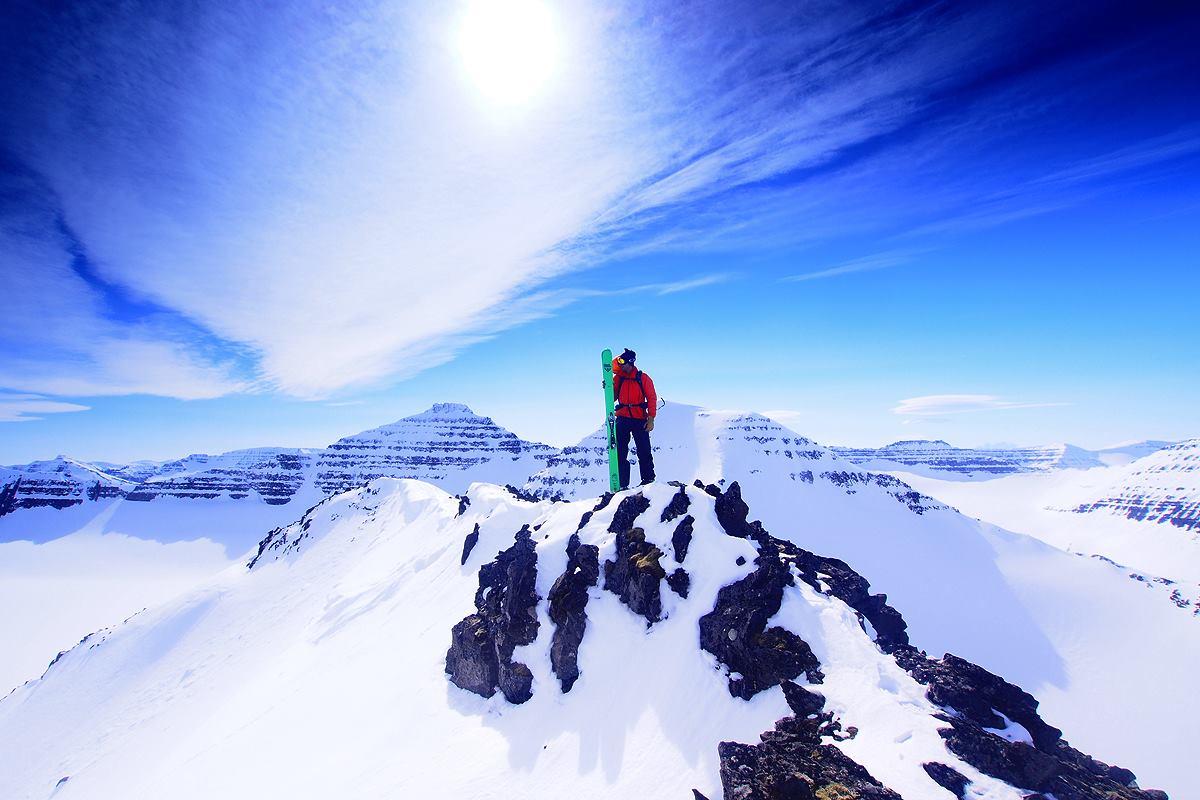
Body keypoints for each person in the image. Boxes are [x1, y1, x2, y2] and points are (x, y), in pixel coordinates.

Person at [612, 348, 657, 489]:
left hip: (639, 418)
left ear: (631, 362)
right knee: (620, 452)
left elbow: (651, 398)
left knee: (644, 450)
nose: (621, 365)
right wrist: (608, 387)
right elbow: (612, 398)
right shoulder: (619, 378)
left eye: (623, 362)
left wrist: (651, 418)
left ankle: (648, 480)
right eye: (620, 362)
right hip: (623, 418)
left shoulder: (642, 378)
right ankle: (622, 484)